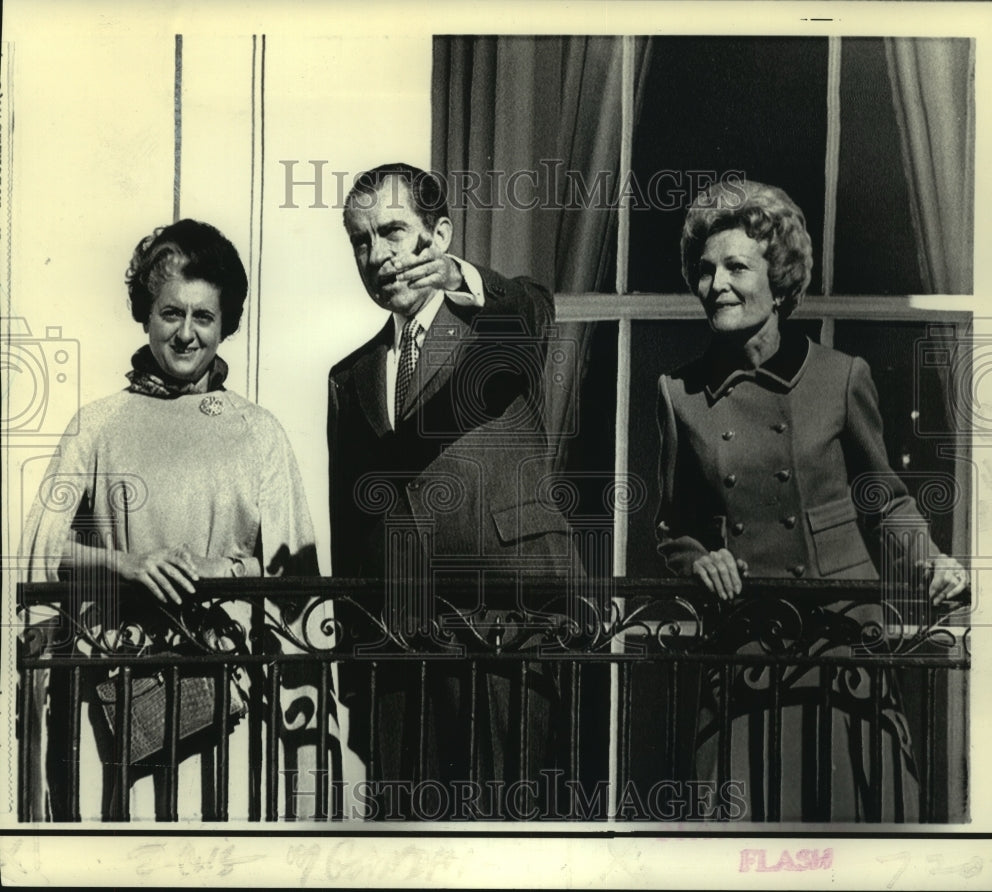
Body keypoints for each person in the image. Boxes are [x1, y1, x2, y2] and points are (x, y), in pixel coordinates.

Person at [655, 180, 968, 821]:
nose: (717, 284)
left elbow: (887, 502)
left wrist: (932, 560)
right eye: (706, 269)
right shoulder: (677, 394)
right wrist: (698, 560)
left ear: (781, 279)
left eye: (737, 267)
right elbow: (673, 528)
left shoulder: (840, 375)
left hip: (842, 643)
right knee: (747, 836)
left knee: (852, 831)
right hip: (743, 650)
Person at [20, 219, 320, 820]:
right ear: (146, 314)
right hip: (114, 698)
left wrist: (223, 570)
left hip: (230, 702)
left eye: (203, 318)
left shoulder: (257, 432)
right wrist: (124, 564)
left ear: (225, 323)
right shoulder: (96, 424)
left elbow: (302, 590)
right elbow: (36, 551)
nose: (186, 335)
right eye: (170, 313)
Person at [329, 163, 579, 816]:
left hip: (508, 635)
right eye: (360, 240)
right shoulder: (349, 377)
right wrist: (355, 675)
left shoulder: (500, 331)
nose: (375, 253)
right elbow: (352, 530)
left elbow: (533, 305)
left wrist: (460, 279)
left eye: (391, 231)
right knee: (408, 856)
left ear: (438, 237)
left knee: (504, 847)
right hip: (399, 654)